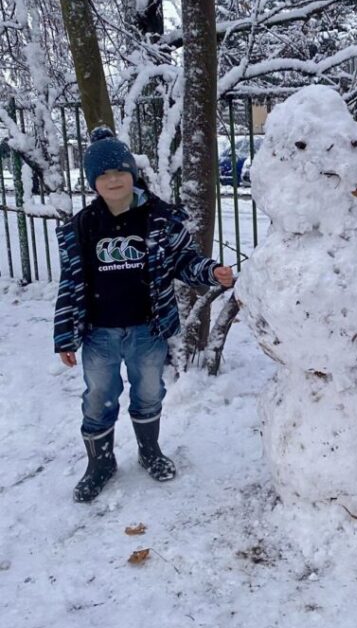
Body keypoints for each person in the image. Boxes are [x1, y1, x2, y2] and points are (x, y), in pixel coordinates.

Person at [54, 126, 234, 502]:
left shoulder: (158, 219)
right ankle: (100, 463)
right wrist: (63, 335)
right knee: (99, 396)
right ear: (93, 182)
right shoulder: (82, 227)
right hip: (99, 334)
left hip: (147, 330)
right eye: (103, 175)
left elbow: (184, 261)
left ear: (132, 173)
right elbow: (70, 283)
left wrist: (210, 272)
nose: (113, 179)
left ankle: (149, 450)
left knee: (149, 392)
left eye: (118, 171)